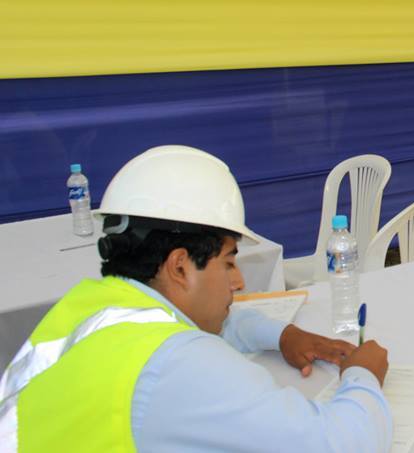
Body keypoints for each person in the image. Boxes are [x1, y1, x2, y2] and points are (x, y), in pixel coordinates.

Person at [0, 146, 392, 451]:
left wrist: (282, 336)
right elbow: (337, 444)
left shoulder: (94, 304)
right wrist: (364, 375)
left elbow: (216, 323)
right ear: (180, 267)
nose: (238, 282)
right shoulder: (176, 364)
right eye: (228, 263)